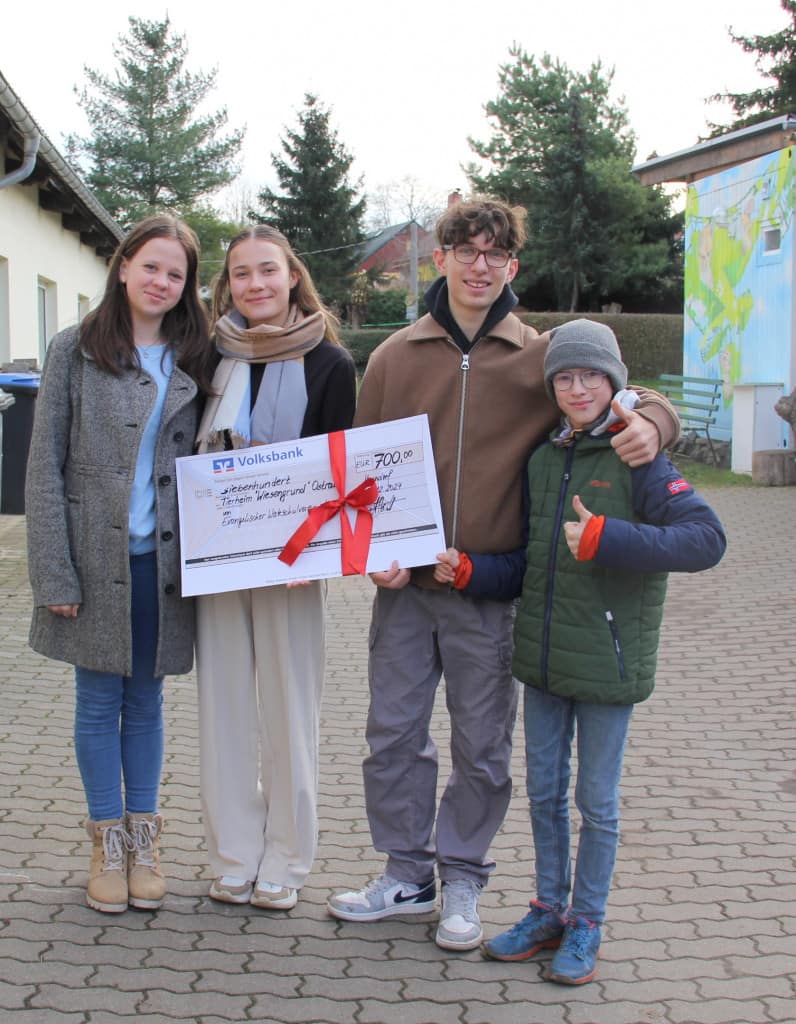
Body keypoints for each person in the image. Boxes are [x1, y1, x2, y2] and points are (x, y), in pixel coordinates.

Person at [327, 197, 681, 951]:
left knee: (481, 746)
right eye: (466, 250)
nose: (480, 265)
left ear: (512, 264)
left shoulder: (537, 355)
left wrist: (654, 421)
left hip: (488, 591)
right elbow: (359, 472)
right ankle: (405, 874)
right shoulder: (392, 357)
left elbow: (625, 390)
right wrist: (371, 555)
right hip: (405, 591)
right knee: (391, 735)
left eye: (495, 253)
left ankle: (462, 876)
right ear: (442, 259)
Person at [472, 318, 726, 983]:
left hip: (609, 663)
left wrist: (610, 538)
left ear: (615, 382)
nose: (578, 388)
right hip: (544, 661)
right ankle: (547, 911)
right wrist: (468, 571)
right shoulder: (543, 459)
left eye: (591, 375)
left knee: (596, 803)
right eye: (565, 377)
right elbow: (529, 560)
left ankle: (587, 921)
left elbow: (707, 540)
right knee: (544, 793)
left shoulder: (638, 454)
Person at [25, 214, 214, 914]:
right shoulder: (75, 348)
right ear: (124, 265)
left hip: (162, 563)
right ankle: (105, 840)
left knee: (146, 701)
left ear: (188, 285)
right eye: (151, 266)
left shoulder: (198, 354)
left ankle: (144, 839)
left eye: (176, 274)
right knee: (99, 700)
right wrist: (54, 571)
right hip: (92, 557)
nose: (162, 282)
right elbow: (44, 466)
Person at [195, 225, 356, 911]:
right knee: (224, 707)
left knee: (289, 711)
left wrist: (318, 554)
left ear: (293, 275)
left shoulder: (330, 363)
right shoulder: (208, 357)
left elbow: (342, 465)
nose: (255, 284)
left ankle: (287, 858)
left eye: (267, 270)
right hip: (218, 560)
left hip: (295, 562)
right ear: (227, 284)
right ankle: (235, 852)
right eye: (241, 273)